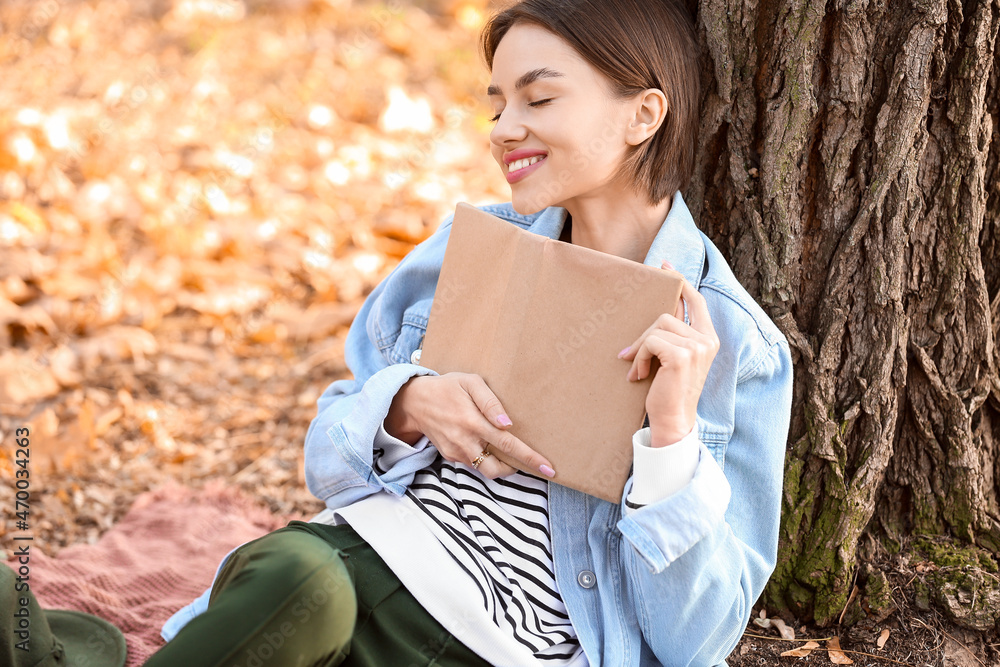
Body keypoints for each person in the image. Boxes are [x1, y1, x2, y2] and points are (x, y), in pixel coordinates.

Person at [147, 0, 793, 665]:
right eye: (498, 106)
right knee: (301, 579)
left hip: (502, 648)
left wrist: (672, 440)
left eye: (539, 99)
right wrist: (404, 405)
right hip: (348, 568)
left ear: (644, 115)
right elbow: (326, 451)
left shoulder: (734, 347)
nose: (504, 130)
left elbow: (699, 641)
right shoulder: (470, 248)